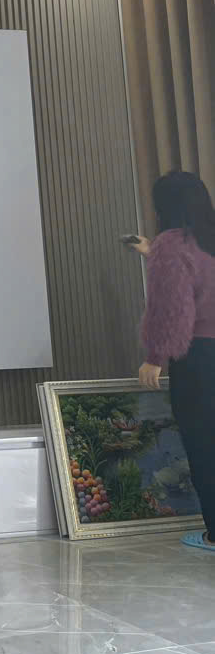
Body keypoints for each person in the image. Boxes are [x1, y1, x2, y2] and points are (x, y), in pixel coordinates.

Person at [133, 170, 215, 551]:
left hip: (200, 359)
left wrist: (155, 357)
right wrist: (154, 253)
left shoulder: (172, 244)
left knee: (204, 444)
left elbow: (173, 309)